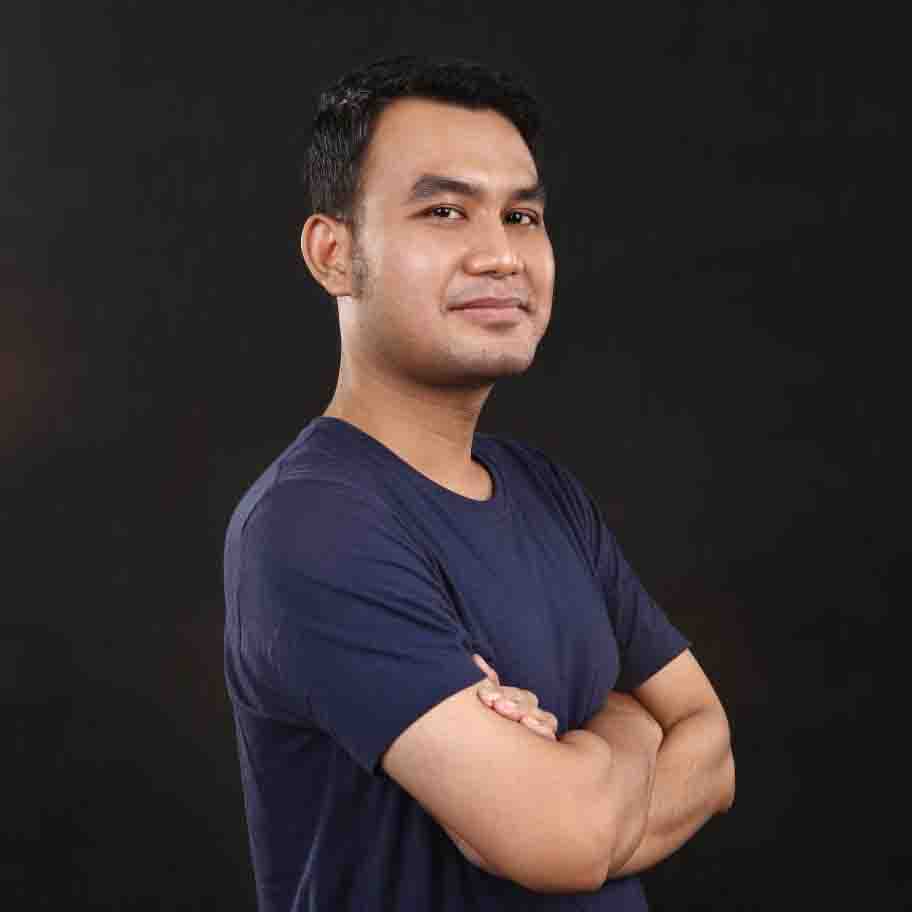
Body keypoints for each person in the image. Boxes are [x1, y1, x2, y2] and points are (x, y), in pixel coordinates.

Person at [223, 54, 735, 912]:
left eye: (522, 215)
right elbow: (558, 842)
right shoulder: (312, 523)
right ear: (334, 254)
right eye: (444, 211)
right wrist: (630, 727)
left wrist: (581, 765)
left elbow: (712, 745)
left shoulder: (544, 490)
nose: (501, 255)